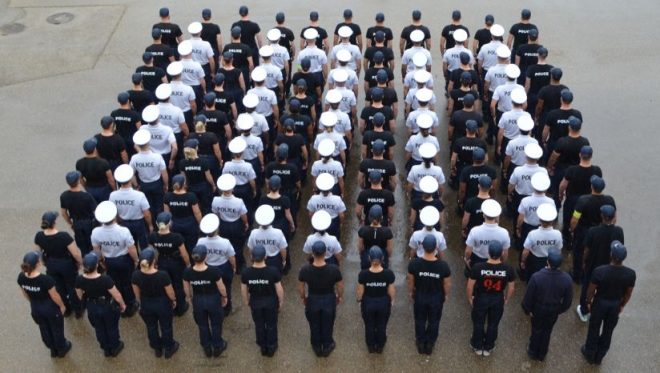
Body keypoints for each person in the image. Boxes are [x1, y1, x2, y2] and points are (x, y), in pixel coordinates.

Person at [581, 243, 635, 365]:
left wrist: (588, 302)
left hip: (600, 303)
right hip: (615, 304)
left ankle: (590, 352)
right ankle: (600, 355)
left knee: (594, 327)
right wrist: (622, 305)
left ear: (611, 255)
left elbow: (591, 290)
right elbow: (628, 293)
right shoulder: (630, 274)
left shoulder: (600, 271)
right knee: (608, 330)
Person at [17, 251, 71, 357]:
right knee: (56, 328)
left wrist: (33, 302)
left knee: (44, 328)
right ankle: (61, 348)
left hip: (35, 306)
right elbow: (54, 295)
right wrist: (62, 306)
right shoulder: (45, 280)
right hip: (49, 307)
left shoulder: (21, 277)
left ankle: (52, 348)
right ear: (38, 264)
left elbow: (25, 293)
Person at [522, 250, 573, 361]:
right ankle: (542, 353)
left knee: (536, 329)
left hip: (538, 308)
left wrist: (528, 309)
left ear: (547, 262)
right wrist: (559, 309)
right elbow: (568, 301)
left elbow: (529, 296)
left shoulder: (537, 277)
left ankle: (532, 351)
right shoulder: (567, 279)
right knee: (547, 330)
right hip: (553, 309)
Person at [467, 241, 516, 357]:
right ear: (502, 253)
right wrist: (506, 299)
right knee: (493, 324)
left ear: (488, 253)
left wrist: (470, 298)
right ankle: (489, 346)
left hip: (481, 298)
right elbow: (511, 287)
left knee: (478, 322)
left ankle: (477, 345)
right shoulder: (508, 269)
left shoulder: (478, 267)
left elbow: (470, 285)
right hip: (497, 298)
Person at [91, 201, 139, 317]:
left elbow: (96, 250)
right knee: (127, 281)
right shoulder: (123, 231)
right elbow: (131, 248)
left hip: (109, 260)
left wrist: (102, 261)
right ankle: (131, 303)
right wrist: (136, 260)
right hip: (124, 259)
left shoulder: (96, 232)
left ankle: (119, 303)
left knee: (115, 283)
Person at [75, 252, 126, 357]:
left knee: (99, 328)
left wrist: (84, 301)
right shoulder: (105, 279)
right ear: (97, 265)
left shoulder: (80, 279)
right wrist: (122, 305)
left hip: (92, 306)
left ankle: (106, 348)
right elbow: (116, 294)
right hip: (107, 306)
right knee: (111, 327)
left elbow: (79, 293)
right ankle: (115, 346)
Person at [298, 241, 344, 357]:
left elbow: (301, 287)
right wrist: (339, 296)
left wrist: (303, 298)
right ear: (325, 253)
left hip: (313, 299)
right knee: (328, 324)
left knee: (314, 324)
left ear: (313, 253)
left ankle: (317, 346)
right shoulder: (334, 269)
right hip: (329, 299)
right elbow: (339, 286)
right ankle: (327, 345)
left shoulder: (305, 269)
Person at [407, 235, 451, 355]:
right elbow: (447, 284)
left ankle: (420, 342)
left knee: (420, 320)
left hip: (420, 295)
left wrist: (411, 292)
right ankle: (430, 343)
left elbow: (410, 281)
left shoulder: (414, 264)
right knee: (434, 321)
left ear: (422, 246)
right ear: (436, 248)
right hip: (436, 297)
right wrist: (445, 295)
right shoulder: (443, 266)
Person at [132, 248, 179, 358]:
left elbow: (136, 292)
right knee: (166, 326)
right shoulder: (162, 275)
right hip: (162, 304)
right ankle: (169, 348)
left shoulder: (136, 275)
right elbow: (170, 292)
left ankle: (157, 348)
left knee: (151, 327)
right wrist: (173, 300)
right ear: (154, 261)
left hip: (146, 303)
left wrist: (140, 302)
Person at [34, 211, 83, 318]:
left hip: (51, 264)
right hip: (66, 264)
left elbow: (37, 252)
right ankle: (78, 309)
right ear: (54, 223)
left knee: (59, 287)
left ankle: (67, 309)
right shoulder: (64, 236)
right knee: (72, 286)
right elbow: (75, 253)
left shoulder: (39, 236)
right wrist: (80, 263)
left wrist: (43, 262)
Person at [578, 207, 624, 321]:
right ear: (614, 217)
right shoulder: (618, 231)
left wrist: (584, 261)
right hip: (610, 264)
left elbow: (586, 250)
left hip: (593, 264)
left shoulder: (593, 231)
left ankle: (584, 310)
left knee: (588, 286)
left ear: (601, 216)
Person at [183, 244, 229, 358]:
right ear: (206, 257)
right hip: (213, 299)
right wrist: (224, 296)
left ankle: (207, 347)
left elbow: (186, 287)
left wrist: (189, 298)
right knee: (216, 324)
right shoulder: (214, 271)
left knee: (202, 325)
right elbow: (221, 286)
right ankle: (218, 346)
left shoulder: (188, 272)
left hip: (198, 300)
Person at [569, 176, 616, 283]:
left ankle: (577, 275)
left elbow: (574, 220)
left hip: (583, 231)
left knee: (578, 252)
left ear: (591, 186)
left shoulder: (583, 200)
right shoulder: (609, 200)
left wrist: (572, 230)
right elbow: (614, 218)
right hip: (600, 230)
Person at [241, 244, 284, 357]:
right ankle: (271, 346)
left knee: (259, 324)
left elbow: (243, 289)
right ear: (265, 257)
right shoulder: (273, 271)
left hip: (255, 302)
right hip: (271, 302)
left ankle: (262, 346)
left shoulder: (246, 272)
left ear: (251, 257)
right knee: (271, 324)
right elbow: (279, 288)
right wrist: (281, 301)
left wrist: (246, 301)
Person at [149, 212, 190, 316]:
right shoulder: (176, 237)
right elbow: (184, 253)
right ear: (169, 223)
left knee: (166, 284)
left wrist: (155, 263)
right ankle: (181, 307)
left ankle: (170, 305)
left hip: (162, 261)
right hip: (176, 263)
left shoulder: (153, 236)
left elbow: (152, 251)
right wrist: (188, 264)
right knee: (178, 285)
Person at [357, 246, 395, 353]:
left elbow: (360, 291)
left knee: (369, 324)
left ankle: (370, 345)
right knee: (382, 324)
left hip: (368, 302)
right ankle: (380, 346)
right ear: (382, 259)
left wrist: (359, 300)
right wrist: (391, 300)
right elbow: (391, 289)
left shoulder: (363, 274)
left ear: (369, 258)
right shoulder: (388, 274)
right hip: (383, 302)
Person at [559, 146, 601, 240]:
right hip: (588, 201)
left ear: (579, 155)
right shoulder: (597, 170)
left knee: (568, 221)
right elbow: (598, 187)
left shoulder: (572, 170)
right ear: (591, 156)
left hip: (572, 201)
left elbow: (563, 185)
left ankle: (567, 241)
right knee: (585, 222)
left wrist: (561, 195)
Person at [197, 214, 236, 316]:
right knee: (226, 287)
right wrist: (234, 267)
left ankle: (215, 308)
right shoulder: (225, 242)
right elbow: (231, 257)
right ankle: (227, 308)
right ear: (217, 229)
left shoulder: (200, 241)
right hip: (223, 267)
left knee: (212, 289)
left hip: (208, 267)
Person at [212, 174, 249, 274]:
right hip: (236, 225)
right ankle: (240, 266)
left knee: (227, 244)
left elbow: (216, 214)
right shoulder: (238, 201)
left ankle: (230, 262)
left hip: (223, 225)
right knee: (238, 246)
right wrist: (246, 223)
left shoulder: (215, 200)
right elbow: (243, 215)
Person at [110, 164, 152, 250]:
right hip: (139, 223)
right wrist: (150, 225)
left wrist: (117, 221)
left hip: (124, 222)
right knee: (143, 244)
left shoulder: (113, 195)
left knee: (130, 245)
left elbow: (113, 212)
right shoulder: (139, 195)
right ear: (130, 179)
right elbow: (146, 213)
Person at [129, 129, 168, 222]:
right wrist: (166, 185)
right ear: (149, 142)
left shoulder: (134, 158)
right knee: (159, 205)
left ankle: (152, 222)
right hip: (157, 183)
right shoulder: (157, 156)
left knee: (148, 206)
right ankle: (161, 222)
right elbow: (164, 173)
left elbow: (131, 174)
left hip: (144, 184)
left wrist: (136, 185)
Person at [465, 200, 511, 271]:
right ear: (497, 216)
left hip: (477, 259)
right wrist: (502, 264)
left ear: (483, 215)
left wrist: (467, 259)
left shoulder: (475, 231)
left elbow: (468, 251)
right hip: (495, 260)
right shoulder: (504, 233)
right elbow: (505, 253)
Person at [521, 203, 562, 281]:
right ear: (552, 220)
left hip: (534, 260)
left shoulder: (532, 234)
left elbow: (525, 251)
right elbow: (558, 250)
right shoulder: (558, 234)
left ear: (539, 219)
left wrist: (523, 261)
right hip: (550, 260)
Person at [59, 171, 97, 256]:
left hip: (76, 223)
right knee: (92, 244)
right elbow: (95, 212)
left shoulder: (64, 196)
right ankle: (95, 263)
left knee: (82, 247)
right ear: (78, 181)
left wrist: (70, 223)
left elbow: (63, 212)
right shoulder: (87, 196)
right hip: (89, 223)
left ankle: (86, 262)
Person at [178, 137, 216, 216]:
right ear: (196, 148)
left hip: (191, 188)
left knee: (195, 207)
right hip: (204, 187)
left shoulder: (182, 162)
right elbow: (208, 176)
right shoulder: (203, 161)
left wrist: (185, 188)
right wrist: (213, 185)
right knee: (206, 207)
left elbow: (183, 178)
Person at [247, 205, 288, 273]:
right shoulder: (278, 233)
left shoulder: (253, 233)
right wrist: (283, 261)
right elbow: (283, 249)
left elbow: (250, 249)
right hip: (275, 260)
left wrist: (253, 259)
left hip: (259, 259)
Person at [76, 138, 115, 203]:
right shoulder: (103, 162)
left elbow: (80, 179)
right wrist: (114, 190)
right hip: (104, 189)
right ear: (95, 149)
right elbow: (110, 179)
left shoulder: (79, 163)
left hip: (90, 188)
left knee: (94, 207)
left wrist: (86, 187)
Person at [358, 205, 393, 270]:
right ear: (381, 218)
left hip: (367, 258)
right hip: (381, 258)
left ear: (369, 217)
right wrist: (387, 258)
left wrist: (362, 256)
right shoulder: (387, 231)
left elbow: (361, 247)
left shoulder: (363, 230)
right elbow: (389, 250)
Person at [111, 91, 142, 156]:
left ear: (119, 102)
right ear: (128, 101)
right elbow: (140, 130)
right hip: (132, 141)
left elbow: (112, 128)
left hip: (120, 140)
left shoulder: (114, 113)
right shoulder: (135, 114)